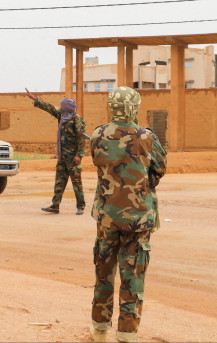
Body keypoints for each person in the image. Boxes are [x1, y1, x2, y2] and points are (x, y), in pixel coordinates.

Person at [89, 87, 167, 343]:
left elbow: (99, 165)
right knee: (132, 277)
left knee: (104, 272)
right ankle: (126, 334)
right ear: (134, 107)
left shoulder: (98, 134)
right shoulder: (147, 136)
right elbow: (158, 170)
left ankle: (99, 330)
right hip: (138, 218)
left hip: (106, 216)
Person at [25, 88, 86, 215]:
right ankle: (55, 205)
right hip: (62, 156)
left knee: (76, 183)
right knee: (59, 181)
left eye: (62, 106)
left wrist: (79, 155)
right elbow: (48, 107)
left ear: (67, 107)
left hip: (73, 157)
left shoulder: (76, 119)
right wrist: (33, 98)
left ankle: (80, 206)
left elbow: (81, 139)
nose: (60, 108)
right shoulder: (62, 115)